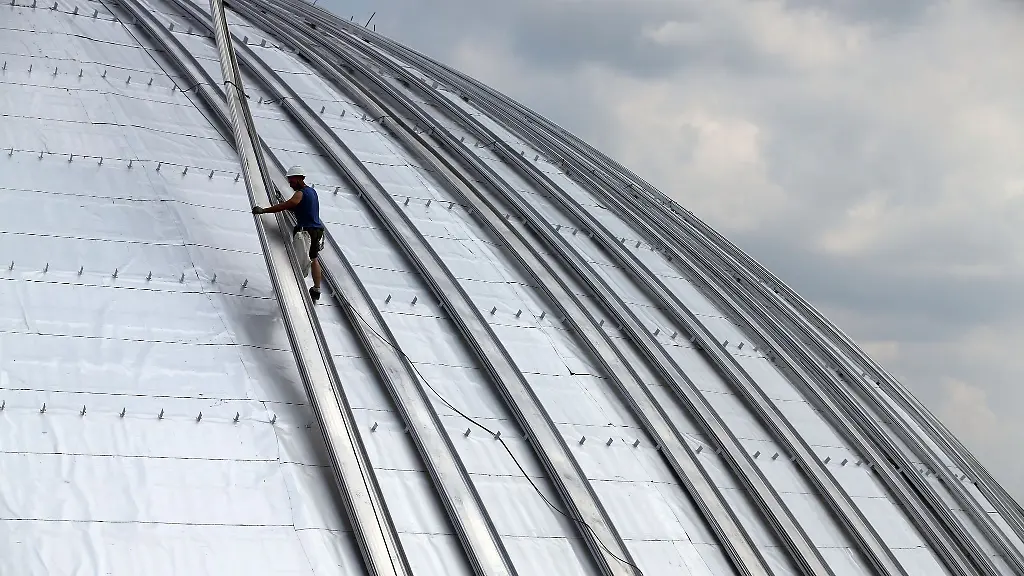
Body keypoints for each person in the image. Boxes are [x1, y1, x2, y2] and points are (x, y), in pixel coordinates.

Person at [252, 165, 325, 302]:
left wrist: (264, 210)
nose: (290, 183)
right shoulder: (312, 192)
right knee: (314, 259)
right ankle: (316, 289)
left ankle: (293, 288)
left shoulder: (300, 194)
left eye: (291, 180)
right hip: (316, 230)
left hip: (305, 233)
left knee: (296, 261)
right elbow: (302, 208)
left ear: (298, 178)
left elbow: (286, 205)